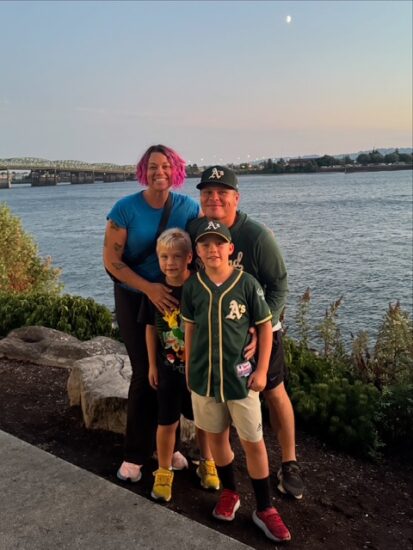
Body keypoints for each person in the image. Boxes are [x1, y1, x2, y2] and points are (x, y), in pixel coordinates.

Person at [187, 165, 304, 500]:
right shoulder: (196, 230)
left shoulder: (256, 235)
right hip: (220, 330)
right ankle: (212, 461)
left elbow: (279, 284)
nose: (214, 198)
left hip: (260, 327)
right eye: (207, 193)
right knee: (214, 394)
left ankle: (290, 463)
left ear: (236, 198)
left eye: (222, 192)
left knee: (274, 390)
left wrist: (260, 324)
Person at [182, 219, 291, 543]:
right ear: (197, 251)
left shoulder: (247, 284)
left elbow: (265, 326)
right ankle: (230, 492)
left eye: (219, 243)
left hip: (240, 379)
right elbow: (190, 329)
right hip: (205, 378)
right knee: (217, 437)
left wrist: (261, 371)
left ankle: (265, 507)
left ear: (230, 248)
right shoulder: (193, 286)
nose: (212, 249)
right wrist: (189, 368)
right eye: (205, 244)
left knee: (253, 442)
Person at [103, 144, 200, 483]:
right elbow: (111, 261)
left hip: (173, 298)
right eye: (154, 166)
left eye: (167, 166)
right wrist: (149, 288)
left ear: (177, 170)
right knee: (145, 372)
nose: (161, 172)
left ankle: (167, 449)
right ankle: (134, 455)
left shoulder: (188, 207)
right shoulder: (125, 209)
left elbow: (200, 252)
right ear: (144, 171)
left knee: (172, 370)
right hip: (135, 297)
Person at [144, 228, 219, 502]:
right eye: (164, 257)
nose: (170, 262)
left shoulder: (200, 287)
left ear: (189, 257)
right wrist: (152, 365)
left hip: (198, 371)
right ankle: (164, 471)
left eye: (177, 256)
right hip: (168, 372)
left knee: (203, 421)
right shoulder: (155, 290)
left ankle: (207, 462)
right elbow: (151, 328)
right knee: (166, 422)